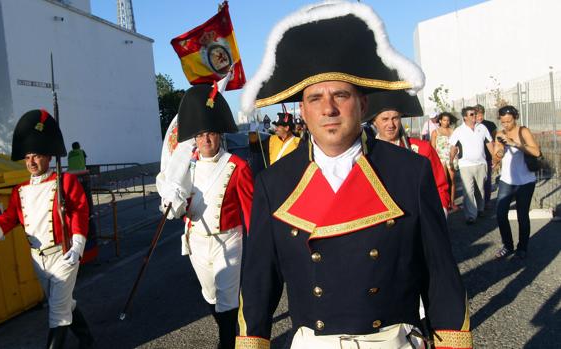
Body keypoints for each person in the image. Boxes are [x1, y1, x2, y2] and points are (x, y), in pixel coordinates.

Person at [236, 3, 472, 349]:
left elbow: (440, 274)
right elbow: (259, 283)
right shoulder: (274, 183)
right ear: (303, 110)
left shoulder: (409, 171)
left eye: (340, 95)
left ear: (363, 105)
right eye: (315, 98)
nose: (328, 108)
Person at [0, 109, 93, 349]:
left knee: (57, 312)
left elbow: (80, 211)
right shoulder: (20, 190)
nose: (31, 162)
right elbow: (10, 217)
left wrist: (78, 245)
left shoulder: (65, 182)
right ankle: (86, 338)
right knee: (64, 303)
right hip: (38, 260)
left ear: (49, 157)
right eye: (28, 157)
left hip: (63, 255)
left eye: (37, 156)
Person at [156, 84, 254, 349]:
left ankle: (227, 342)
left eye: (210, 134)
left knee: (227, 297)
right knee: (210, 296)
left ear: (219, 135)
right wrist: (172, 201)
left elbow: (250, 210)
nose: (206, 140)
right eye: (200, 135)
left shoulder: (238, 166)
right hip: (197, 240)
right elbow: (179, 204)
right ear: (194, 139)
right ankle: (229, 328)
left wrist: (258, 244)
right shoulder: (185, 168)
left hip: (229, 238)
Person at [368, 89, 450, 213]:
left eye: (395, 118)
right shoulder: (365, 153)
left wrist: (439, 215)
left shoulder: (422, 149)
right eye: (385, 119)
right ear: (374, 121)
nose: (391, 124)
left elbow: (439, 186)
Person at [492, 105, 540, 260]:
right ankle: (507, 245)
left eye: (509, 121)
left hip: (525, 181)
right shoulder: (500, 134)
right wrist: (499, 152)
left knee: (522, 215)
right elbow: (496, 157)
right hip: (507, 180)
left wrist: (514, 144)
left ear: (515, 117)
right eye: (503, 122)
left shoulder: (523, 131)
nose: (506, 124)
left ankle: (522, 247)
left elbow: (536, 151)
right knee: (500, 214)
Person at [449, 106, 495, 224]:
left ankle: (480, 209)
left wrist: (495, 158)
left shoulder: (482, 127)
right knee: (468, 191)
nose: (474, 116)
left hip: (481, 163)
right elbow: (453, 147)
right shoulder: (459, 130)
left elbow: (489, 143)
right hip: (465, 165)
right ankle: (471, 215)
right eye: (471, 114)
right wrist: (451, 160)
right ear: (465, 117)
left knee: (480, 189)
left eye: (475, 114)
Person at [431, 112, 459, 210]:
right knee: (444, 181)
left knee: (452, 180)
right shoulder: (435, 132)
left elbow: (456, 145)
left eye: (448, 120)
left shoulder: (453, 131)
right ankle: (444, 202)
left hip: (451, 158)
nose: (446, 122)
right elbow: (433, 148)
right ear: (440, 121)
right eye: (444, 120)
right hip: (440, 158)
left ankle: (452, 202)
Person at [474, 104, 497, 207]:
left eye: (481, 114)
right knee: (475, 182)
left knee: (486, 181)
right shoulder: (471, 126)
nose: (480, 117)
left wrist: (495, 156)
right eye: (478, 115)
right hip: (475, 158)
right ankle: (477, 203)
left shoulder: (490, 125)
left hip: (487, 157)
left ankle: (486, 202)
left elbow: (495, 141)